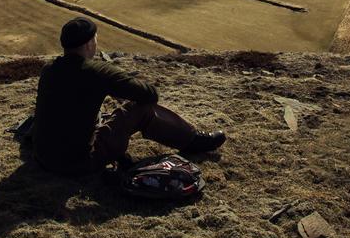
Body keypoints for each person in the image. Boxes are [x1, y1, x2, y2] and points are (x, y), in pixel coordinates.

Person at [31, 17, 225, 175]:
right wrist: (117, 75)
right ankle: (193, 141)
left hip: (42, 157)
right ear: (90, 43)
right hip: (78, 163)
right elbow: (149, 95)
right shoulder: (96, 71)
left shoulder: (49, 69)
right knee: (141, 110)